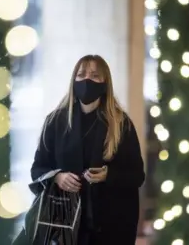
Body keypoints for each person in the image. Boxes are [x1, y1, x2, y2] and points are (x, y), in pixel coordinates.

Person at [31, 54, 145, 245]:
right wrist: (58, 177)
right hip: (65, 226)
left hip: (112, 226)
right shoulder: (55, 122)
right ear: (73, 80)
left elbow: (137, 176)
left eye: (94, 75)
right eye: (81, 74)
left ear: (104, 83)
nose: (86, 80)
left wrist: (108, 175)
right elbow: (37, 170)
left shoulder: (121, 123)